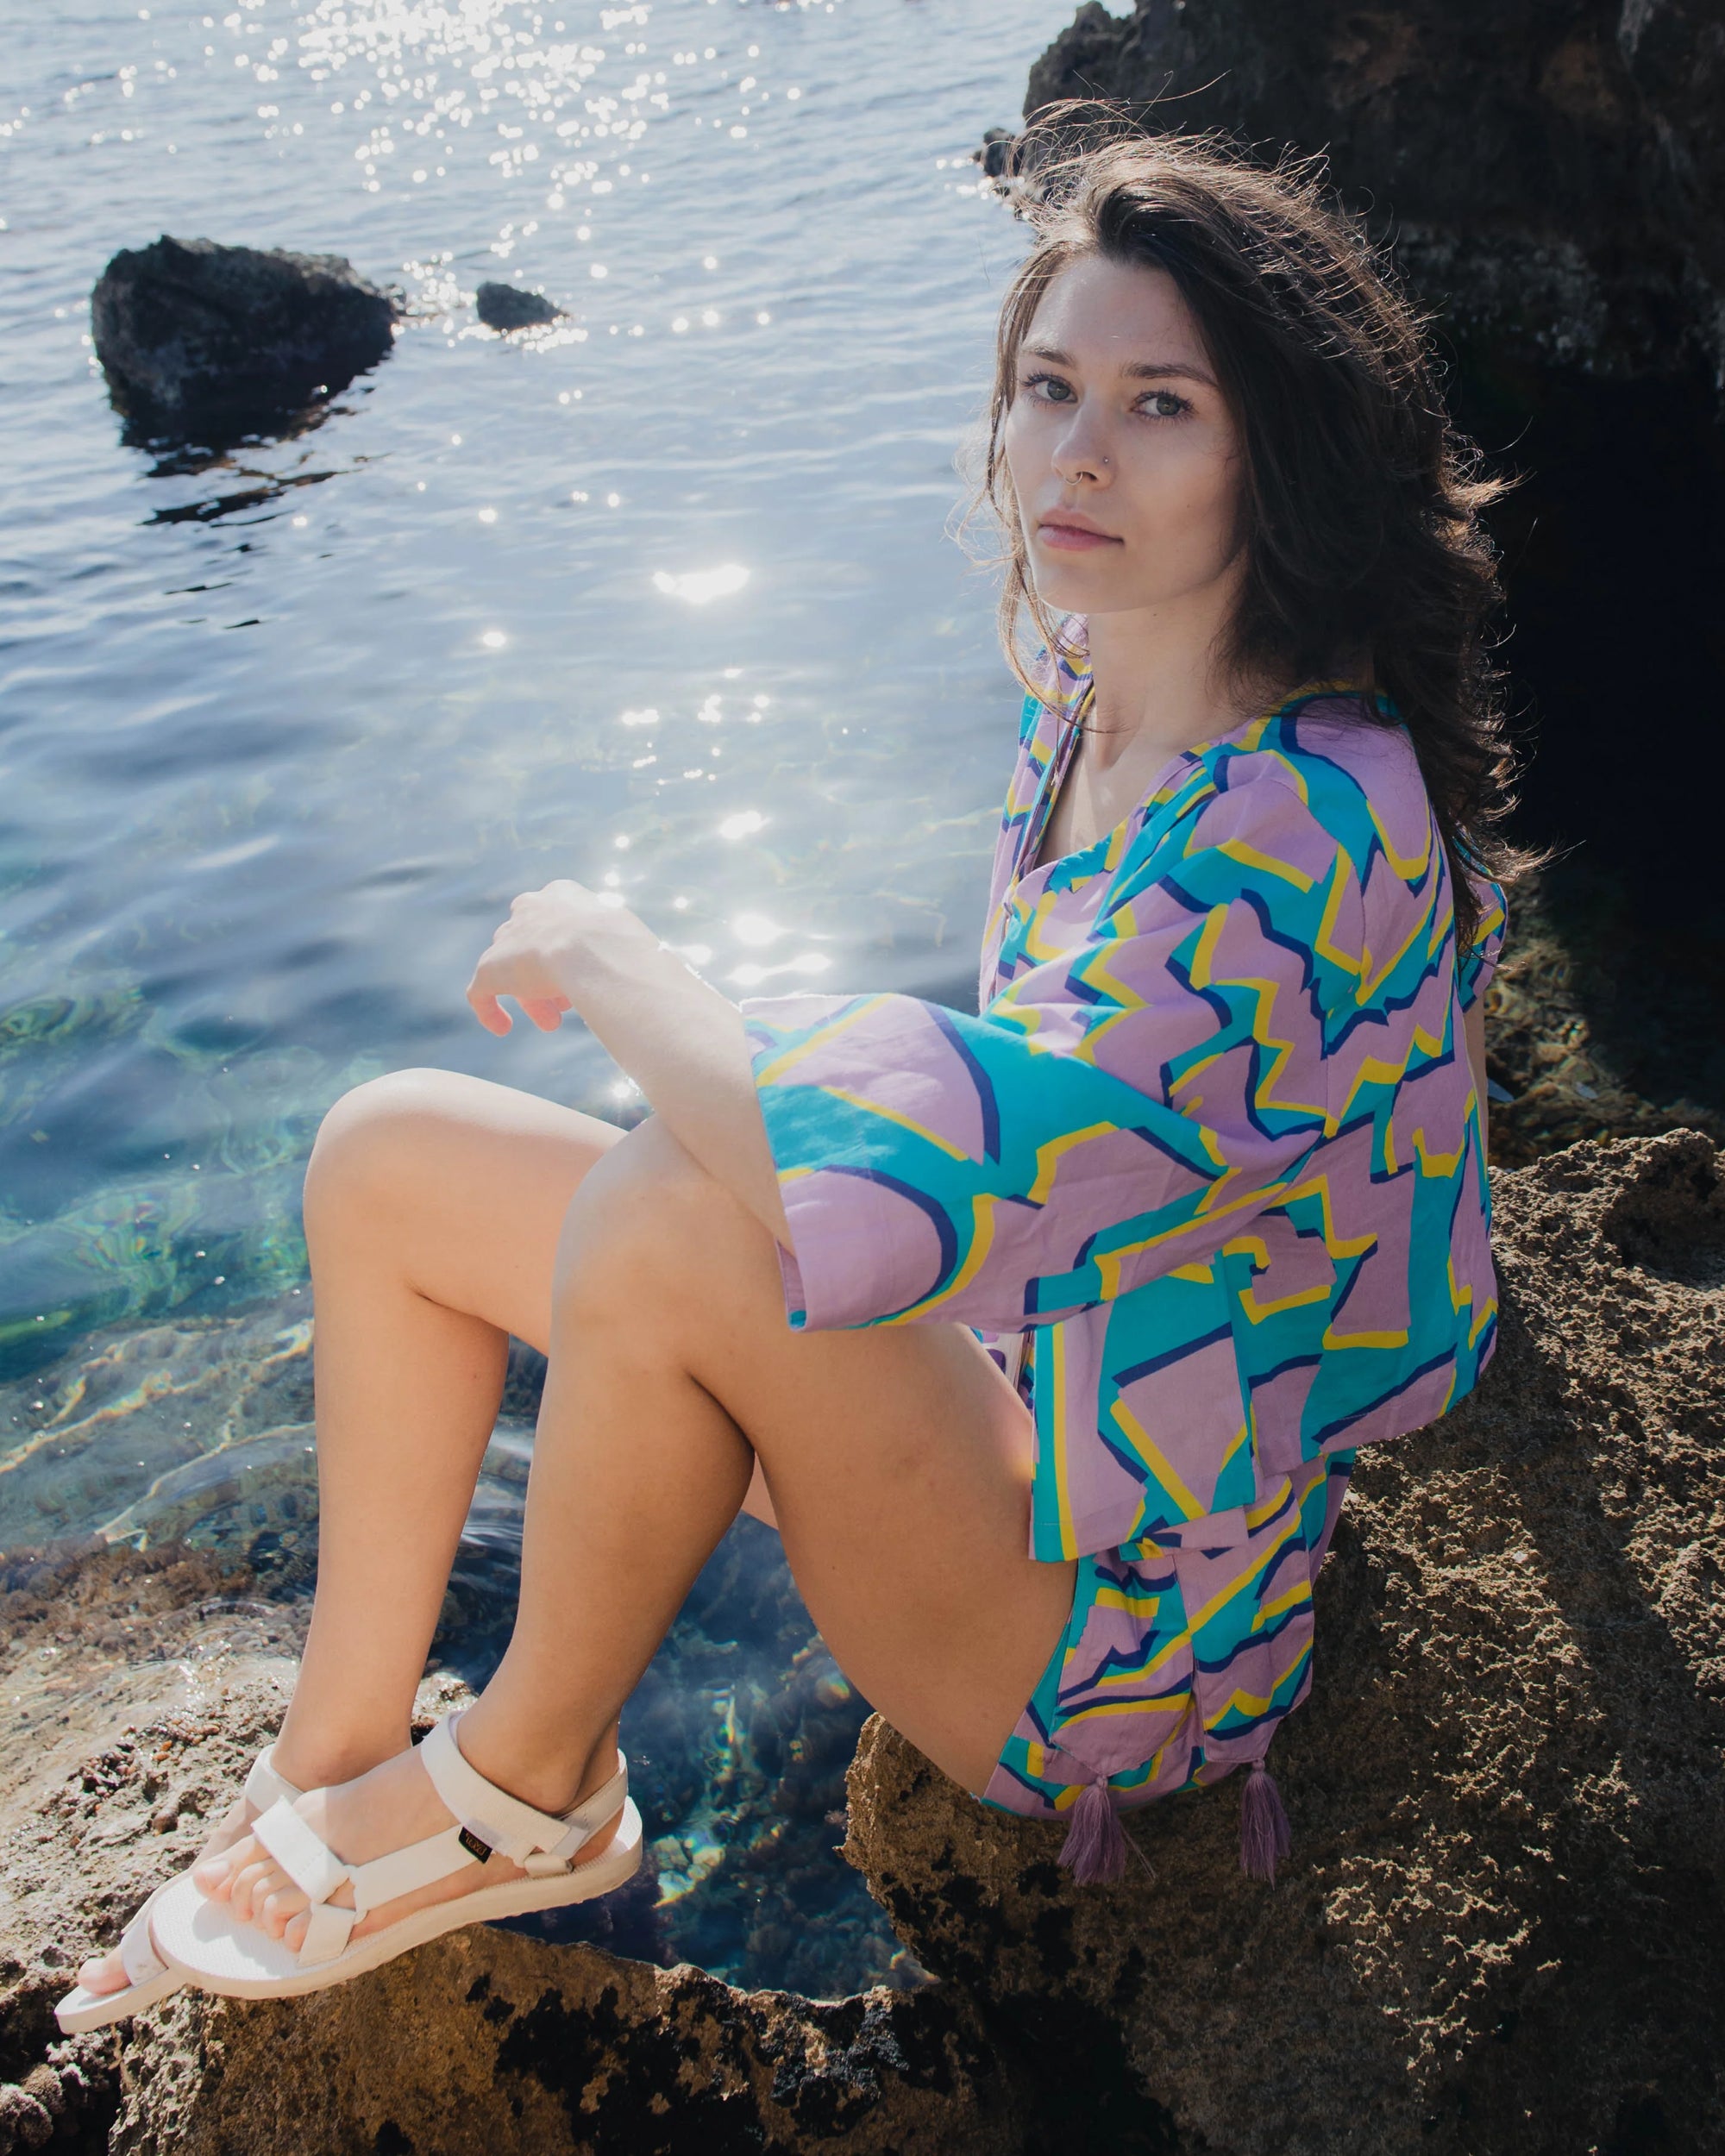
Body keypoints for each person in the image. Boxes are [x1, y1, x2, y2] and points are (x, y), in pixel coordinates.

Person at [59, 107, 1527, 2023]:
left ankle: (522, 1789)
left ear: (1285, 450)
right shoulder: (1096, 693)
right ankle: (341, 1752)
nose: (1072, 453)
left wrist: (607, 951)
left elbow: (898, 1197)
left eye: (1161, 406)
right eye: (1046, 388)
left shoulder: (1294, 830)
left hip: (1134, 1642)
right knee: (386, 1152)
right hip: (1019, 1410)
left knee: (683, 1204)